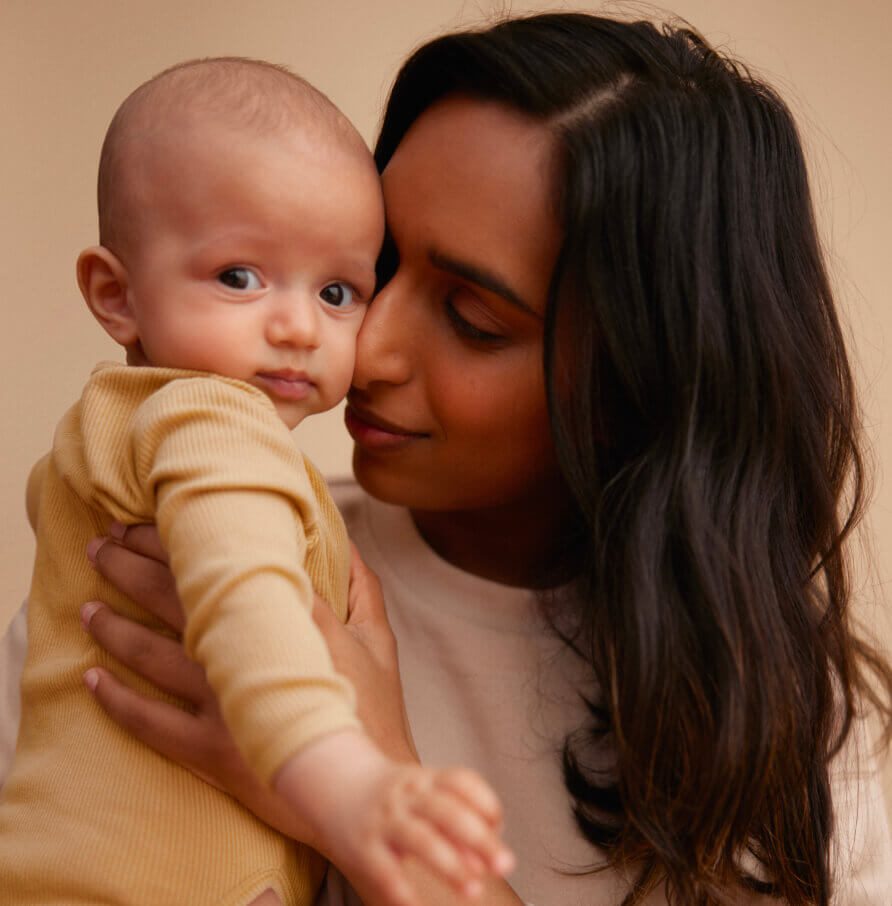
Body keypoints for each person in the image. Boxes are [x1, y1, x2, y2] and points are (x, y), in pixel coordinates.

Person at [2, 10, 891, 906]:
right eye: (378, 270)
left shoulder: (792, 720)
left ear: (636, 381)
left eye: (470, 318)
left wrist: (372, 804)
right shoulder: (163, 569)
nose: (367, 351)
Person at [0, 57, 512, 906]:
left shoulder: (113, 429)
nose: (300, 326)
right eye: (239, 277)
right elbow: (248, 603)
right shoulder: (211, 423)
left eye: (339, 291)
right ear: (115, 295)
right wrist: (349, 782)